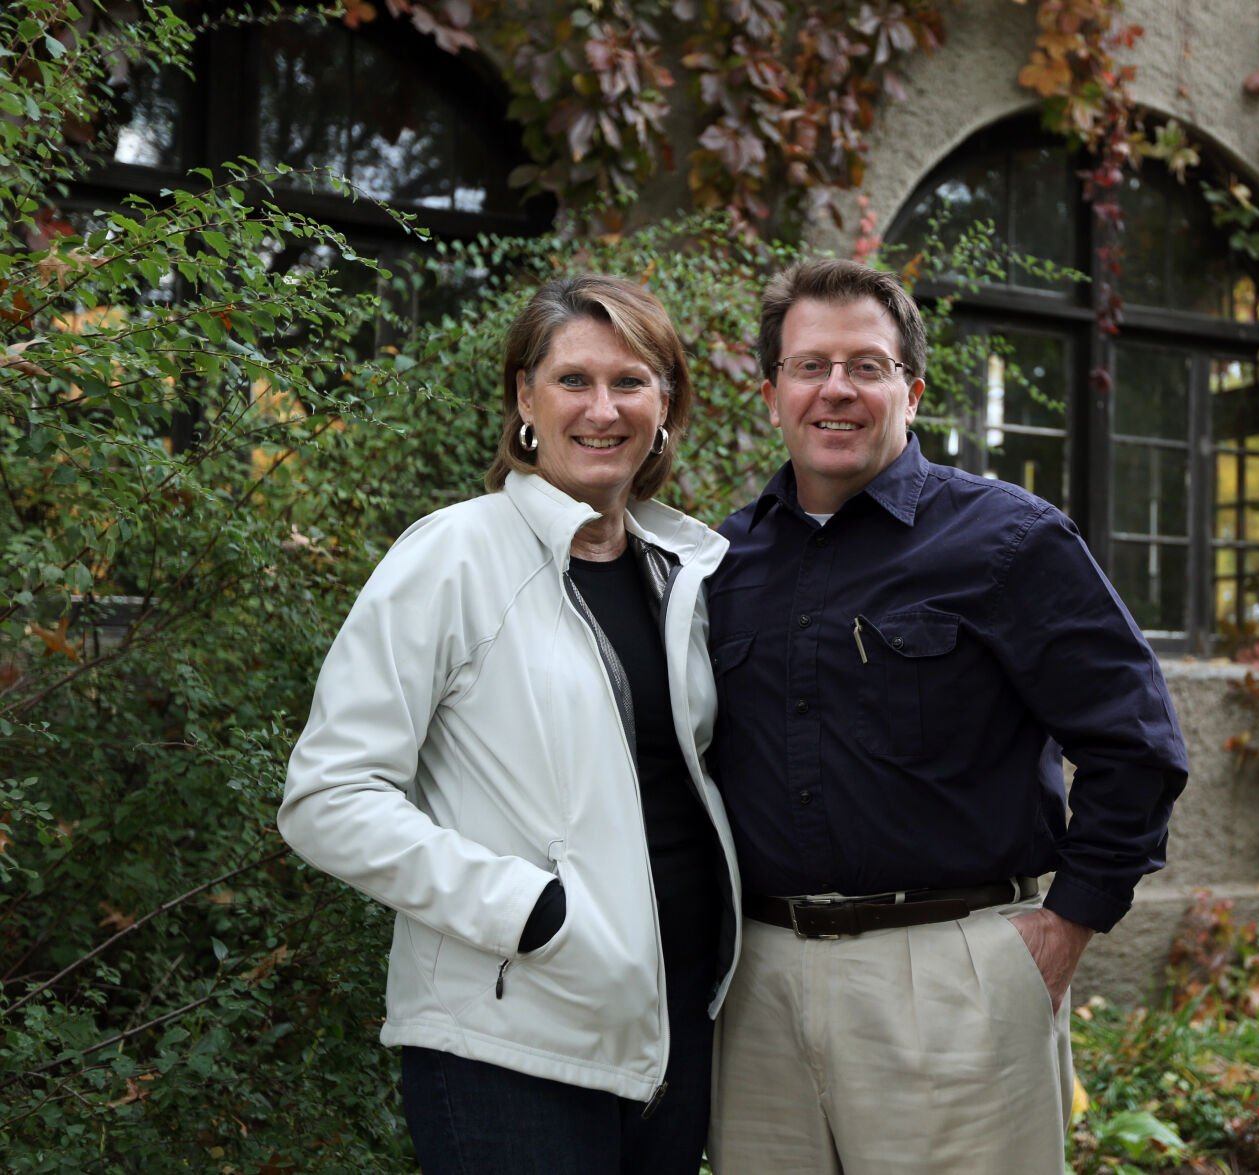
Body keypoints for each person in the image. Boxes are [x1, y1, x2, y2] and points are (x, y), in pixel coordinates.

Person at [705, 258, 1188, 1173]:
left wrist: (1069, 923)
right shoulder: (720, 561)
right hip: (759, 986)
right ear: (771, 391)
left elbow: (1136, 744)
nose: (835, 390)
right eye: (810, 366)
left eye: (866, 365)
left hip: (948, 978)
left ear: (911, 390)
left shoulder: (1007, 540)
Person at [279, 275, 739, 1174]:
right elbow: (327, 797)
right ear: (523, 398)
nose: (602, 409)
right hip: (509, 1038)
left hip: (673, 1026)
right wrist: (529, 911)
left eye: (631, 381)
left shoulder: (683, 571)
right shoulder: (454, 554)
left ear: (667, 404)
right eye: (573, 380)